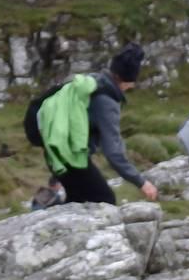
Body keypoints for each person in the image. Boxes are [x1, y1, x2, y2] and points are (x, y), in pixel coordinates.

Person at [45, 44, 158, 206]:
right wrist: (142, 183)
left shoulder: (92, 82)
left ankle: (47, 206)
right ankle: (43, 209)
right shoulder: (106, 101)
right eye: (132, 82)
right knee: (105, 200)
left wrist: (56, 176)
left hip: (56, 153)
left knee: (77, 199)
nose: (132, 86)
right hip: (71, 160)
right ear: (126, 79)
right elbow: (113, 153)